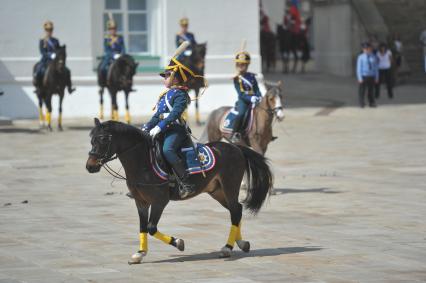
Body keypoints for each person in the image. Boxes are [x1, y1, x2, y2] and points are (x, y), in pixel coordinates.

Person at [143, 42, 206, 198]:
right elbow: (158, 114)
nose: (164, 77)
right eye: (164, 75)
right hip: (164, 127)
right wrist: (147, 126)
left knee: (167, 150)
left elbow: (174, 115)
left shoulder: (181, 95)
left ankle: (186, 182)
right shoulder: (165, 95)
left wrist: (160, 126)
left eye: (167, 75)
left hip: (176, 129)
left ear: (176, 78)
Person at [33, 21, 74, 93]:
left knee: (67, 70)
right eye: (48, 30)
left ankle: (69, 87)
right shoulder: (42, 40)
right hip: (46, 60)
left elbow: (58, 50)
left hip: (55, 61)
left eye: (51, 30)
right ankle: (38, 87)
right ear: (45, 30)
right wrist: (50, 55)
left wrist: (58, 54)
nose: (49, 31)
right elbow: (42, 52)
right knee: (39, 70)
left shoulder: (56, 40)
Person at [230, 50, 262, 142]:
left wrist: (259, 96)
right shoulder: (236, 78)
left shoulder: (251, 76)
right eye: (239, 64)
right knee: (241, 114)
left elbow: (256, 89)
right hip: (243, 101)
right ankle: (235, 134)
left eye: (243, 64)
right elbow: (240, 93)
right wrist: (250, 98)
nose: (241, 66)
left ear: (247, 65)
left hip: (254, 99)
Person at [99, 18, 125, 83]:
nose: (113, 30)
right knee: (102, 68)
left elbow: (123, 47)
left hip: (119, 56)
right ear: (109, 30)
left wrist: (121, 54)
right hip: (110, 56)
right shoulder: (107, 38)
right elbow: (106, 49)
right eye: (111, 29)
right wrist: (113, 55)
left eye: (114, 29)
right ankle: (103, 83)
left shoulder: (120, 37)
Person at [356, 42, 379, 108]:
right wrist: (360, 78)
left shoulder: (374, 56)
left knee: (371, 91)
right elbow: (358, 68)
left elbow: (376, 68)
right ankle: (361, 102)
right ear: (363, 49)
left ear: (370, 49)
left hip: (371, 76)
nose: (366, 50)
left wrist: (377, 77)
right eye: (365, 49)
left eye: (368, 49)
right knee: (362, 90)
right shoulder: (360, 57)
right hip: (364, 76)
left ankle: (371, 102)